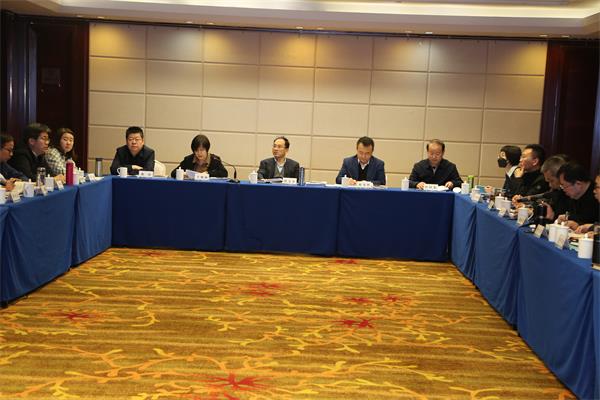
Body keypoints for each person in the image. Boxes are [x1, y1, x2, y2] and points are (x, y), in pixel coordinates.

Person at [554, 162, 598, 230]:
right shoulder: (573, 194)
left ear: (578, 184)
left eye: (564, 186)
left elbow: (589, 220)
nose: (563, 190)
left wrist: (574, 221)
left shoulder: (597, 196)